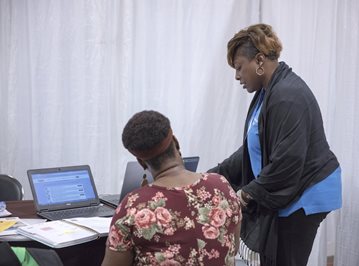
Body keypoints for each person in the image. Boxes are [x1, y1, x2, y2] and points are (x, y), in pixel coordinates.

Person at [208, 24, 342, 266]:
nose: (237, 76)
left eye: (239, 68)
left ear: (259, 60)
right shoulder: (267, 92)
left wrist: (246, 194)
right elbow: (252, 149)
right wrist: (210, 177)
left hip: (308, 190)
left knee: (286, 259)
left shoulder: (287, 95)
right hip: (293, 182)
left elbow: (287, 163)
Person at [102, 110, 242, 266]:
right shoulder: (221, 186)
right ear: (175, 141)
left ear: (141, 163)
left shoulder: (132, 207)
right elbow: (233, 248)